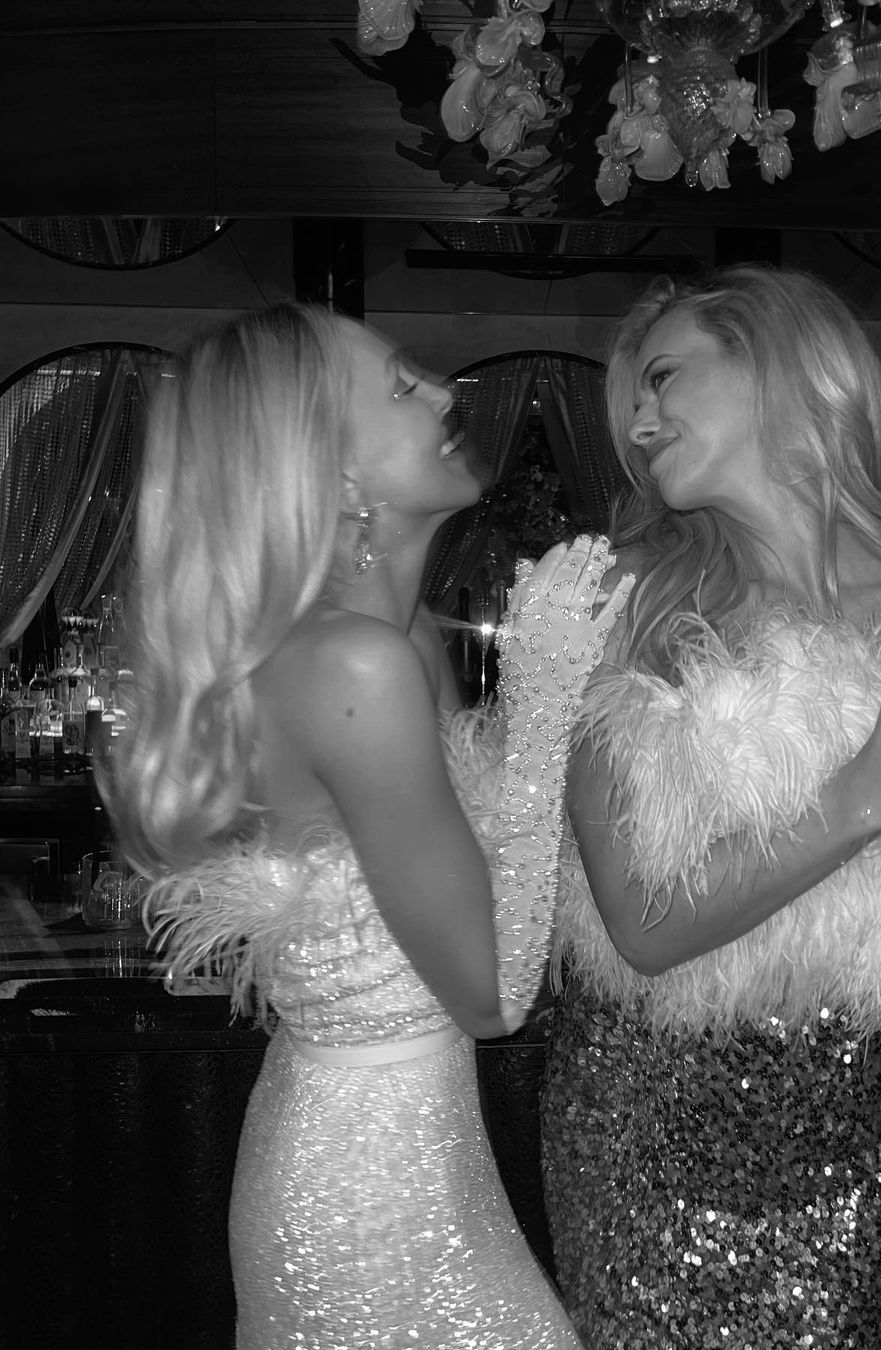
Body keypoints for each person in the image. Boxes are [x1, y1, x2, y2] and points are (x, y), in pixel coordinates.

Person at [538, 264, 881, 1350]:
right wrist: (872, 787)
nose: (637, 423)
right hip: (649, 1144)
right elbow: (643, 927)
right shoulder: (617, 606)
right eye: (630, 402)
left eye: (662, 377)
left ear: (780, 365)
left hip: (852, 1146)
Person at [98, 302, 632, 1349]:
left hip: (403, 1151)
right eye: (397, 385)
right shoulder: (356, 665)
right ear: (334, 476)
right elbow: (493, 996)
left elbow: (489, 876)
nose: (440, 388)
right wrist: (544, 695)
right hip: (368, 1200)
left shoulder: (400, 641)